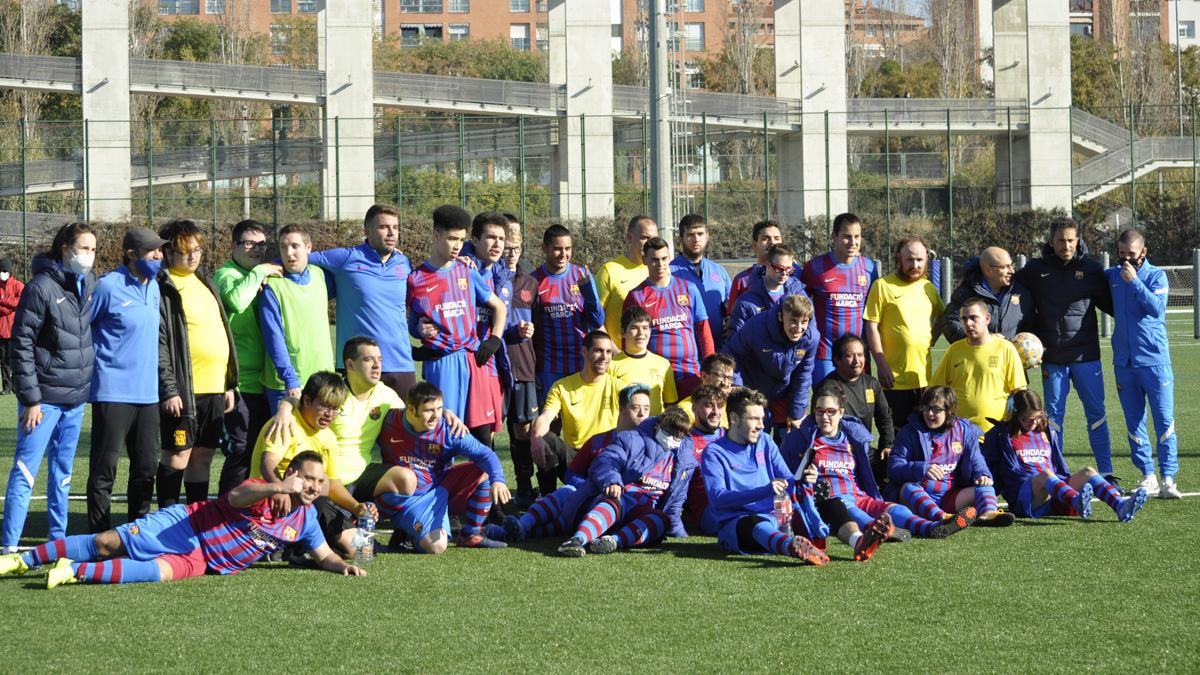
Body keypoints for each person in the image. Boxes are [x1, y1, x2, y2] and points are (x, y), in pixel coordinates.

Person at [0, 451, 366, 587]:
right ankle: (23, 560)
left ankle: (72, 571)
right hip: (188, 526)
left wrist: (342, 567)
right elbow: (234, 497)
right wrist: (277, 488)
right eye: (307, 478)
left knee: (152, 573)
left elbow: (324, 555)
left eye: (320, 481)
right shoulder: (266, 490)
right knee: (106, 542)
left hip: (201, 561)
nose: (313, 486)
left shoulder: (305, 519)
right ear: (292, 473)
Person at [2, 223, 97, 554]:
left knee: (63, 474)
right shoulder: (40, 287)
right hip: (43, 403)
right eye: (83, 248)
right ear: (65, 248)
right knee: (26, 471)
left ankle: (57, 544)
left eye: (93, 249)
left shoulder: (89, 283)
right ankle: (9, 547)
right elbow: (21, 343)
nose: (89, 256)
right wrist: (31, 399)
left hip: (75, 400)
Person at [1013, 217, 1115, 483]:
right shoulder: (1036, 270)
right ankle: (1057, 472)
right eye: (1061, 240)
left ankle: (1107, 471)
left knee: (1097, 414)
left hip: (1086, 357)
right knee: (1053, 419)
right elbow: (1007, 282)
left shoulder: (1092, 270)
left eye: (1071, 240)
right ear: (1051, 241)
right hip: (1053, 359)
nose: (1066, 245)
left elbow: (1114, 305)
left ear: (1078, 240)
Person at [86, 227, 166, 534]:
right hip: (112, 391)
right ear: (132, 254)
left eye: (160, 251)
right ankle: (98, 535)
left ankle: (135, 533)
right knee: (104, 469)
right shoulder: (108, 286)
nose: (158, 256)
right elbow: (82, 328)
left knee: (146, 468)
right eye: (151, 251)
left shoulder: (155, 286)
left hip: (149, 395)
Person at [155, 219, 238, 508]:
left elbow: (220, 332)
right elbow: (160, 343)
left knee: (202, 457)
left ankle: (195, 519)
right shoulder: (162, 287)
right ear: (167, 253)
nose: (193, 256)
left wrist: (228, 383)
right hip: (183, 392)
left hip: (214, 389)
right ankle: (165, 518)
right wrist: (168, 389)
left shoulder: (205, 282)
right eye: (185, 251)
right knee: (177, 456)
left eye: (198, 250)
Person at [373, 382, 512, 553]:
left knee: (485, 471)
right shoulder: (388, 421)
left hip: (439, 489)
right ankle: (398, 527)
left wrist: (498, 480)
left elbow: (486, 454)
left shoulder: (450, 429)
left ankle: (470, 534)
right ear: (410, 410)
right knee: (436, 546)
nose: (436, 415)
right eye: (428, 410)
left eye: (439, 409)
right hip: (405, 498)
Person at [698, 388, 830, 565]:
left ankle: (806, 537)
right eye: (753, 419)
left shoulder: (765, 441)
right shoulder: (714, 453)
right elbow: (717, 499)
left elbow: (788, 480)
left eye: (762, 418)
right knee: (753, 523)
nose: (761, 425)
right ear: (734, 419)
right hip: (737, 525)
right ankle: (790, 546)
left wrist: (803, 478)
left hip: (775, 519)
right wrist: (765, 490)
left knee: (831, 504)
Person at [780, 385, 910, 561]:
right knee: (842, 506)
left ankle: (933, 524)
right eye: (819, 411)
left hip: (857, 496)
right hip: (827, 502)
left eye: (831, 411)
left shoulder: (853, 437)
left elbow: (867, 466)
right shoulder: (800, 438)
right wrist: (803, 478)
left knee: (897, 504)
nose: (825, 417)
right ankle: (873, 533)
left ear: (841, 412)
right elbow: (783, 476)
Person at [250, 371, 372, 555]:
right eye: (324, 406)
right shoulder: (286, 423)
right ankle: (288, 544)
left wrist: (356, 507)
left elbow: (333, 485)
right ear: (306, 400)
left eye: (336, 409)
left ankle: (296, 547)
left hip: (304, 504)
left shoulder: (329, 437)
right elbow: (267, 463)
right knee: (321, 505)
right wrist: (280, 488)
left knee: (362, 549)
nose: (330, 414)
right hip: (270, 504)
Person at [550, 407, 698, 556]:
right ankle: (577, 540)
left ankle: (613, 541)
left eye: (678, 434)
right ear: (657, 426)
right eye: (668, 431)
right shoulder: (632, 439)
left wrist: (679, 533)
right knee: (613, 502)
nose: (672, 437)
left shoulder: (684, 464)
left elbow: (675, 502)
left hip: (642, 513)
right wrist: (612, 481)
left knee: (660, 520)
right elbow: (607, 460)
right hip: (620, 500)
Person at [982, 389, 1148, 522]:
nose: (1034, 423)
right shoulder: (1001, 434)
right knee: (1046, 475)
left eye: (1038, 417)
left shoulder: (1046, 431)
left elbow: (1058, 465)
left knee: (1088, 472)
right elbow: (988, 467)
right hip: (1025, 498)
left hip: (1053, 490)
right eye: (1028, 419)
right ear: (1016, 414)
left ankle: (1120, 506)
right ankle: (1076, 501)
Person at [408, 205, 507, 426]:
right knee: (445, 429)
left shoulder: (467, 271)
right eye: (452, 238)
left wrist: (494, 340)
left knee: (480, 433)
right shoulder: (415, 279)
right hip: (441, 362)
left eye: (461, 240)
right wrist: (418, 329)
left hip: (472, 360)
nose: (458, 246)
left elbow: (499, 307)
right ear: (436, 235)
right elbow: (411, 323)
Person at [307, 203, 416, 397]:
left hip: (400, 363)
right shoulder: (346, 257)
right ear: (366, 230)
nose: (391, 233)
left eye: (395, 227)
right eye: (384, 227)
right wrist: (266, 269)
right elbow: (298, 257)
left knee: (407, 425)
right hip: (357, 364)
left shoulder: (404, 262)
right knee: (353, 427)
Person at [1106, 229, 1180, 498]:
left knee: (1164, 419)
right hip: (1124, 363)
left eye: (1132, 255)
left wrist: (1135, 282)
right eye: (1122, 254)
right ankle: (1148, 475)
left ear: (1144, 253)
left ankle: (1168, 477)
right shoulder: (1112, 276)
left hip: (1155, 361)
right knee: (1133, 421)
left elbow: (1157, 309)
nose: (1126, 260)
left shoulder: (1156, 276)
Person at [213, 219, 281, 494]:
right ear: (234, 246)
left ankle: (250, 512)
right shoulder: (226, 275)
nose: (256, 249)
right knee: (240, 451)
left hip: (264, 381)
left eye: (261, 244)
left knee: (260, 450)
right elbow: (237, 302)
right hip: (237, 382)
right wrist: (260, 272)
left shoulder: (261, 274)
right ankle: (226, 512)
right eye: (249, 243)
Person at [888, 385, 1014, 527]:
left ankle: (988, 514)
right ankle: (943, 518)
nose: (929, 413)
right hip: (918, 496)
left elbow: (976, 459)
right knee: (908, 488)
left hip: (950, 496)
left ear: (949, 410)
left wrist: (982, 474)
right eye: (926, 408)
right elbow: (894, 468)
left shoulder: (964, 430)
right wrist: (922, 468)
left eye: (936, 409)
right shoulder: (909, 432)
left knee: (986, 488)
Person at [863, 237, 944, 430]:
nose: (915, 265)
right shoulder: (882, 286)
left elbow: (943, 316)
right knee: (893, 436)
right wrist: (881, 364)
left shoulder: (928, 288)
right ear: (899, 258)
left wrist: (931, 338)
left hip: (922, 378)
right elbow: (871, 325)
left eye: (920, 260)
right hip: (893, 380)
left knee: (923, 434)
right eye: (910, 260)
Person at [530, 330, 623, 492]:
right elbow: (545, 418)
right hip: (575, 459)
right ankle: (548, 498)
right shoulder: (563, 386)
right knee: (544, 438)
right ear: (584, 352)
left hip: (607, 457)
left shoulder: (619, 386)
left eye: (608, 352)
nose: (605, 357)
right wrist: (535, 438)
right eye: (598, 350)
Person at [623, 237, 714, 398]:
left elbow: (703, 330)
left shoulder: (688, 288)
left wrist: (711, 366)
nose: (660, 264)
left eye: (664, 259)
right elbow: (629, 340)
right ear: (644, 260)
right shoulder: (636, 296)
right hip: (655, 375)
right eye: (654, 260)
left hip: (689, 372)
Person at [258, 223, 335, 413]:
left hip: (322, 379)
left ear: (309, 248)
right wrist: (289, 378)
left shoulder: (320, 275)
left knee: (319, 442)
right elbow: (273, 336)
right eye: (283, 247)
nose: (289, 253)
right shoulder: (271, 286)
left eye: (295, 246)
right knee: (285, 441)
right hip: (287, 384)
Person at [801, 213, 880, 382]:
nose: (853, 242)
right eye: (847, 237)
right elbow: (799, 307)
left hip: (859, 355)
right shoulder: (815, 267)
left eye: (857, 236)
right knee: (827, 403)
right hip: (826, 354)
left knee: (860, 406)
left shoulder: (869, 268)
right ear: (834, 237)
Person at [930, 297, 1027, 432]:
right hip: (959, 433)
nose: (968, 323)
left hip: (995, 433)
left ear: (987, 319)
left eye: (974, 318)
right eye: (964, 319)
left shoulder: (1005, 348)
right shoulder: (954, 350)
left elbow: (1020, 391)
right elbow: (937, 388)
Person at [457, 210, 512, 447]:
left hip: (491, 360)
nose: (497, 244)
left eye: (501, 239)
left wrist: (497, 339)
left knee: (487, 432)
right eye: (491, 237)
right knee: (461, 431)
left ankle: (486, 484)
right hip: (465, 359)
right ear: (475, 240)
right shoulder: (460, 267)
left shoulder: (501, 274)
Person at [723, 294, 818, 433]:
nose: (798, 328)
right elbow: (731, 355)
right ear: (781, 317)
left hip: (782, 392)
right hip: (753, 388)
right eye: (793, 321)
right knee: (755, 435)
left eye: (804, 322)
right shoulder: (757, 327)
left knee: (791, 433)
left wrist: (796, 413)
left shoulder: (811, 338)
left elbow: (803, 376)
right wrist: (740, 391)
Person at [531, 224, 605, 402]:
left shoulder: (582, 275)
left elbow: (597, 321)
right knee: (551, 422)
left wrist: (588, 291)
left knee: (583, 423)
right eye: (557, 249)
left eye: (567, 248)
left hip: (580, 362)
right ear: (545, 248)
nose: (563, 254)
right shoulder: (533, 281)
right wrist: (533, 371)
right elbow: (530, 331)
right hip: (549, 366)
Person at [815, 333, 894, 489]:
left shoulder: (871, 384)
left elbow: (884, 417)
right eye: (850, 356)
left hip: (864, 451)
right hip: (838, 451)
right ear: (837, 360)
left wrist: (887, 445)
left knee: (894, 467)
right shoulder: (828, 387)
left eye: (860, 355)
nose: (857, 361)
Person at [498, 215, 540, 505]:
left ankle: (524, 486)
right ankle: (486, 489)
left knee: (523, 428)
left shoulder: (530, 282)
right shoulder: (487, 277)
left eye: (516, 246)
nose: (511, 252)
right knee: (487, 429)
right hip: (492, 367)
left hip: (524, 366)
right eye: (506, 247)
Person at [563, 382, 653, 486]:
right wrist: (590, 489)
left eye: (646, 408)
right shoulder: (597, 441)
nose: (642, 413)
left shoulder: (654, 446)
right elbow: (572, 474)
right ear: (621, 410)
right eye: (636, 408)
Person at [942, 246, 1032, 342]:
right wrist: (986, 338)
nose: (1012, 271)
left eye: (1011, 265)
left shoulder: (1020, 292)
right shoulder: (966, 292)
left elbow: (1031, 325)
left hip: (1009, 356)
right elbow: (951, 325)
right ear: (988, 270)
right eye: (1004, 267)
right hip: (976, 355)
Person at [595, 215, 657, 349]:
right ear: (629, 237)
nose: (650, 243)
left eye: (654, 238)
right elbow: (594, 318)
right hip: (618, 359)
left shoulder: (661, 270)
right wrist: (613, 352)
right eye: (645, 238)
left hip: (653, 359)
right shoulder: (609, 270)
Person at [671, 214, 732, 348]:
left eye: (700, 234)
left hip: (719, 349)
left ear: (707, 236)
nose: (696, 239)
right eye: (690, 235)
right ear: (680, 239)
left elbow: (731, 304)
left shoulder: (719, 271)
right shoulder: (669, 272)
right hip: (687, 352)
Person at [726, 242, 808, 339]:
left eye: (789, 270)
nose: (784, 274)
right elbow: (735, 341)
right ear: (768, 264)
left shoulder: (799, 294)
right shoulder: (745, 302)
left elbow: (811, 333)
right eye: (779, 269)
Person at [609, 306, 677, 413]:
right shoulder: (611, 365)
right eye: (634, 328)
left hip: (655, 428)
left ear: (650, 331)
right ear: (623, 332)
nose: (641, 333)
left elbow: (670, 405)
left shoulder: (663, 364)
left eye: (645, 328)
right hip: (625, 429)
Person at [680, 383, 727, 531]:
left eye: (719, 406)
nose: (715, 411)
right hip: (708, 509)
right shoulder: (684, 442)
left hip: (738, 497)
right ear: (694, 408)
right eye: (708, 405)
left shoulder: (731, 437)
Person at [728, 219, 790, 308]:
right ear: (754, 245)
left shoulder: (793, 275)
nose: (772, 242)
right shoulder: (741, 280)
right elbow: (733, 318)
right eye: (765, 239)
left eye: (777, 238)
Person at [676, 353, 736, 428]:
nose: (726, 383)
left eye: (729, 378)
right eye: (721, 376)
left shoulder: (728, 404)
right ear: (704, 376)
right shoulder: (686, 410)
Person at [0, 258, 25, 395]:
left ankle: (16, 385)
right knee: (3, 361)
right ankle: (6, 386)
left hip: (15, 329)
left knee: (16, 359)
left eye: (4, 271)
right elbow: (12, 305)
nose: (2, 273)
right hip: (1, 330)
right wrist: (9, 307)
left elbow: (20, 302)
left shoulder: (18, 285)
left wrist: (4, 301)